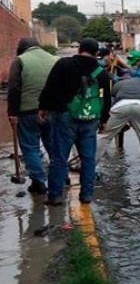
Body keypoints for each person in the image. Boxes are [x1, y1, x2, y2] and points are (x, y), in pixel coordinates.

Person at [38, 38, 111, 205]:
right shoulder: (101, 73)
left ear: (80, 49)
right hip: (91, 119)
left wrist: (43, 107)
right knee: (88, 158)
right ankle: (86, 195)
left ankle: (55, 196)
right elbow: (106, 99)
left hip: (65, 116)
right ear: (96, 53)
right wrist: (104, 120)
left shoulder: (64, 64)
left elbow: (50, 87)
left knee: (59, 158)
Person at [6, 38, 58, 194]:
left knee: (30, 147)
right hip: (52, 110)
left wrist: (12, 113)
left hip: (28, 112)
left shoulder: (20, 61)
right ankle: (60, 176)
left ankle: (38, 182)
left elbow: (14, 89)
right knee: (53, 144)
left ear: (22, 49)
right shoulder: (54, 59)